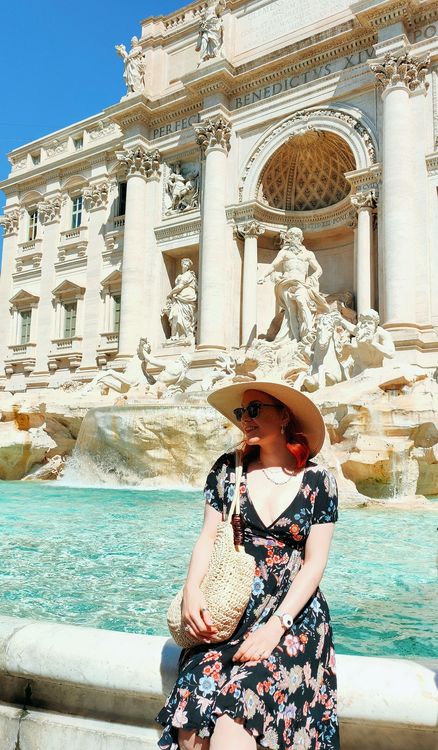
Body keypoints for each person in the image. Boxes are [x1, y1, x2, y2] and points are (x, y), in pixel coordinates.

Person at [156, 380, 340, 750]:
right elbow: (208, 536)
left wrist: (275, 628)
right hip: (233, 614)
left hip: (292, 621)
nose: (245, 419)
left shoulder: (320, 482)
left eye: (255, 410)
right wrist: (192, 589)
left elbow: (314, 565)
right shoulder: (227, 469)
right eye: (242, 412)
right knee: (191, 722)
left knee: (235, 715)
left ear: (284, 415)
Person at [258, 228, 329, 343]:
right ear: (288, 238)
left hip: (301, 283)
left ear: (301, 238)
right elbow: (273, 266)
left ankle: (309, 331)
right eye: (291, 236)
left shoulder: (308, 254)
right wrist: (263, 276)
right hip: (286, 283)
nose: (294, 238)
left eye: (297, 235)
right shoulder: (284, 253)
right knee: (291, 311)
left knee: (302, 302)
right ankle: (295, 339)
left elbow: (318, 269)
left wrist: (313, 277)